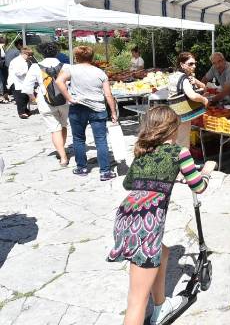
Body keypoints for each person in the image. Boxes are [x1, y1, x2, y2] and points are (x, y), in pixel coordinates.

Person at [107, 106, 214, 325]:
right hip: (146, 223)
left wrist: (162, 179)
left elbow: (129, 183)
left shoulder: (143, 152)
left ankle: (160, 305)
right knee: (136, 300)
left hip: (127, 215)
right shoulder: (179, 153)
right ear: (172, 129)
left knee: (162, 253)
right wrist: (206, 173)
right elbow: (198, 187)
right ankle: (153, 308)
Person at [55, 45, 118, 180]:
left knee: (78, 139)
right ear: (92, 57)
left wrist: (69, 98)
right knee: (101, 140)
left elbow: (59, 81)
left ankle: (81, 167)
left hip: (77, 107)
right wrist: (113, 111)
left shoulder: (70, 69)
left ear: (77, 57)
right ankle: (105, 171)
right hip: (97, 108)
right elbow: (108, 94)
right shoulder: (100, 73)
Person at [23, 42, 70, 166]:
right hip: (64, 100)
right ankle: (62, 148)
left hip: (45, 102)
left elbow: (27, 88)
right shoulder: (65, 66)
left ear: (41, 53)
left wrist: (33, 98)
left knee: (54, 129)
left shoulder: (35, 67)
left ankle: (63, 157)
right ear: (56, 52)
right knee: (63, 125)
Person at [169, 52, 209, 148]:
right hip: (183, 115)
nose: (194, 66)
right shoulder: (184, 79)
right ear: (182, 65)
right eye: (190, 64)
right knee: (183, 143)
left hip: (173, 113)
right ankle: (183, 162)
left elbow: (203, 87)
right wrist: (204, 100)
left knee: (175, 140)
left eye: (195, 63)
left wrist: (195, 81)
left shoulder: (174, 76)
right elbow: (192, 96)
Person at [7, 47, 33, 119]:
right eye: (29, 55)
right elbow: (18, 73)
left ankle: (25, 109)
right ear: (24, 54)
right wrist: (28, 72)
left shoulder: (26, 61)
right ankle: (21, 113)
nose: (31, 57)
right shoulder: (16, 61)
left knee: (26, 96)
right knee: (20, 98)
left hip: (23, 82)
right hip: (16, 82)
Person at [0, 37, 8, 103]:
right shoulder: (1, 48)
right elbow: (3, 56)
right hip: (1, 67)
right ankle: (1, 97)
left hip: (2, 66)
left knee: (2, 81)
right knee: (1, 81)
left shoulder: (2, 48)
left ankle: (3, 96)